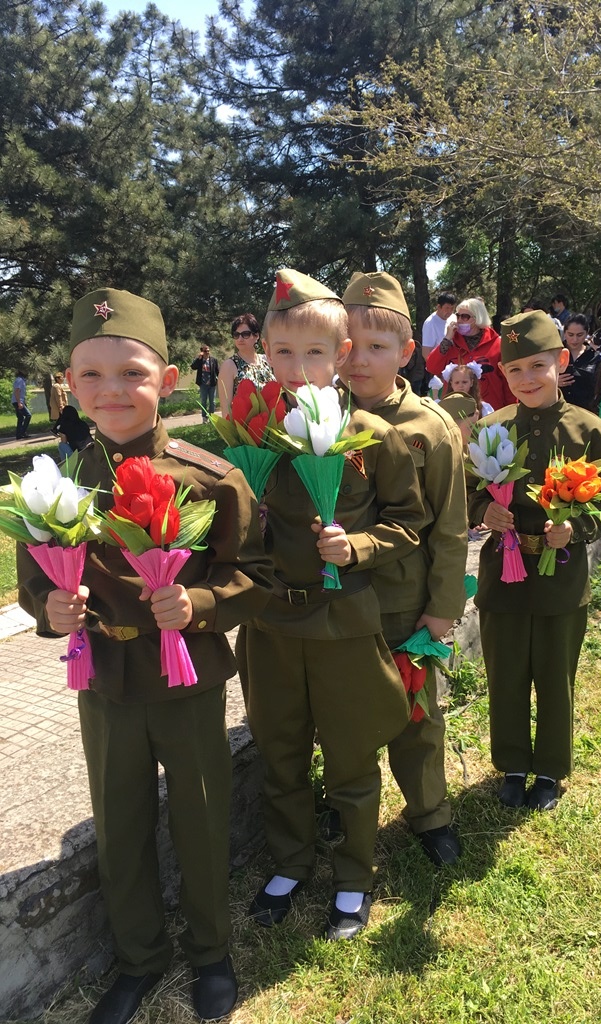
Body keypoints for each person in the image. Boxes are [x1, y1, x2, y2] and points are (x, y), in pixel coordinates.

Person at [17, 288, 274, 1024]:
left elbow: (254, 577)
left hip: (185, 680)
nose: (111, 391)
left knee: (199, 817)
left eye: (131, 372)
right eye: (90, 375)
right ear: (70, 386)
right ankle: (137, 960)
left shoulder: (209, 476)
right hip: (102, 680)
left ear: (166, 380)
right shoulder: (54, 487)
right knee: (119, 824)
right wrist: (50, 609)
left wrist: (198, 605)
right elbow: (34, 579)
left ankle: (211, 951)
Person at [237, 269, 423, 941]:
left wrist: (360, 547)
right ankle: (290, 861)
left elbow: (409, 522)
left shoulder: (373, 434)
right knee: (280, 751)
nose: (297, 367)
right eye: (282, 352)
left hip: (343, 624)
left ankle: (352, 873)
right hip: (273, 625)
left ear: (342, 354)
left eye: (314, 352)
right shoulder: (252, 433)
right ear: (265, 351)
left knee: (349, 758)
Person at [466, 310, 601, 813]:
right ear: (502, 374)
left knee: (556, 675)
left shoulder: (591, 432)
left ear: (561, 360)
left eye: (537, 366)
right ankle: (513, 764)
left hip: (561, 577)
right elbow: (465, 489)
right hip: (504, 575)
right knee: (506, 672)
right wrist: (482, 509)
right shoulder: (491, 429)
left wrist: (574, 528)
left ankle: (551, 769)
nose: (527, 379)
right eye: (515, 371)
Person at [341, 271, 469, 867]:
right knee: (345, 714)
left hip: (403, 601)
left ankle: (429, 814)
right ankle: (346, 807)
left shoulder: (430, 427)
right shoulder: (315, 421)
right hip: (339, 601)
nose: (359, 360)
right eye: (348, 346)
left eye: (378, 347)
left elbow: (448, 525)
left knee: (417, 714)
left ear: (407, 352)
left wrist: (443, 608)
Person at [425, 297, 511, 409]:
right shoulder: (450, 342)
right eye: (458, 316)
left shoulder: (497, 343)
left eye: (465, 317)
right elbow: (432, 367)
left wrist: (511, 410)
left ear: (478, 318)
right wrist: (447, 339)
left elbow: (508, 382)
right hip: (456, 411)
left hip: (490, 412)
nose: (459, 320)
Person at [216, 313, 274, 418]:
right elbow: (226, 409)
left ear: (256, 336)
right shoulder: (229, 365)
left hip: (272, 424)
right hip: (245, 429)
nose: (240, 339)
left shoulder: (267, 360)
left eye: (245, 334)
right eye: (236, 335)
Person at [558, 314, 598, 409]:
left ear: (587, 333)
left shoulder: (594, 356)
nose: (574, 339)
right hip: (558, 408)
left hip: (585, 410)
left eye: (579, 335)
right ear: (564, 333)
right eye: (570, 335)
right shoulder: (555, 353)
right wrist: (553, 383)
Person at [421, 292, 456, 356]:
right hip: (439, 362)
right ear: (439, 307)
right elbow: (426, 353)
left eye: (452, 308)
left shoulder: (454, 317)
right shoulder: (430, 324)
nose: (449, 312)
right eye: (447, 308)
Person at [190, 345, 219, 422]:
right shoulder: (200, 360)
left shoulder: (213, 360)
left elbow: (217, 371)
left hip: (212, 384)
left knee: (212, 401)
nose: (207, 352)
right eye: (205, 351)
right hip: (203, 384)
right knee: (204, 401)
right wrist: (198, 359)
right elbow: (193, 367)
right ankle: (204, 417)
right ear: (202, 352)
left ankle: (211, 417)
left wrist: (219, 380)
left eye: (208, 350)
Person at [12, 369, 32, 440]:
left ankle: (19, 435)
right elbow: (17, 391)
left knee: (20, 418)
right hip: (18, 402)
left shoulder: (21, 380)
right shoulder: (20, 380)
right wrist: (19, 403)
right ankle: (22, 432)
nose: (27, 372)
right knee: (28, 415)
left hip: (19, 401)